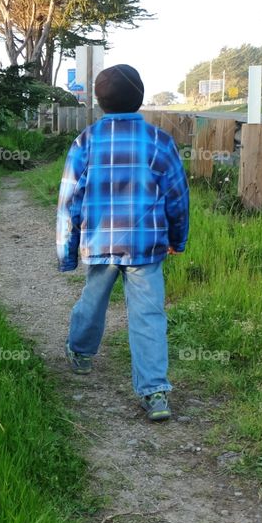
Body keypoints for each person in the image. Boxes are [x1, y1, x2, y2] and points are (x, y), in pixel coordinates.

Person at [55, 63, 189, 421]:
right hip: (146, 246)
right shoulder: (160, 142)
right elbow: (177, 197)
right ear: (141, 98)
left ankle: (81, 353)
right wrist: (178, 238)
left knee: (93, 298)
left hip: (100, 242)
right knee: (148, 313)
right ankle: (155, 392)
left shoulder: (85, 142)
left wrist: (67, 253)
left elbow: (69, 202)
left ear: (99, 102)